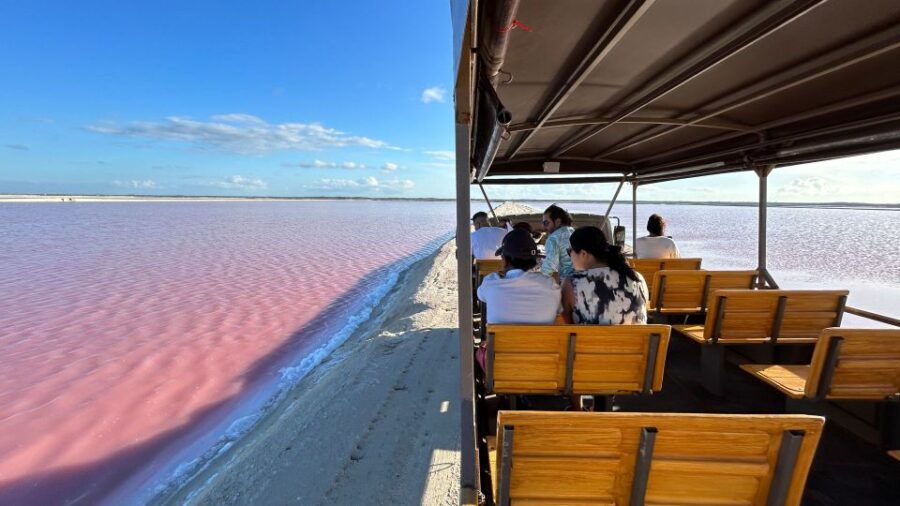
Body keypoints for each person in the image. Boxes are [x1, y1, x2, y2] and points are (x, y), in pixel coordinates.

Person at [476, 229, 561, 369]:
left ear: (505, 260)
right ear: (535, 260)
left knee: (481, 350)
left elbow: (480, 295)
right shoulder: (550, 285)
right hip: (544, 367)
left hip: (501, 368)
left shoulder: (491, 283)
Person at [561, 226, 648, 324]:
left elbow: (568, 325)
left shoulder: (572, 283)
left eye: (569, 251)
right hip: (637, 334)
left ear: (583, 254)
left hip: (590, 335)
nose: (569, 256)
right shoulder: (637, 278)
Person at [540, 204, 575, 281]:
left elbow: (549, 267)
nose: (544, 227)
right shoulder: (573, 231)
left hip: (565, 281)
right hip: (580, 278)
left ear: (558, 221)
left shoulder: (553, 238)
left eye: (546, 223)